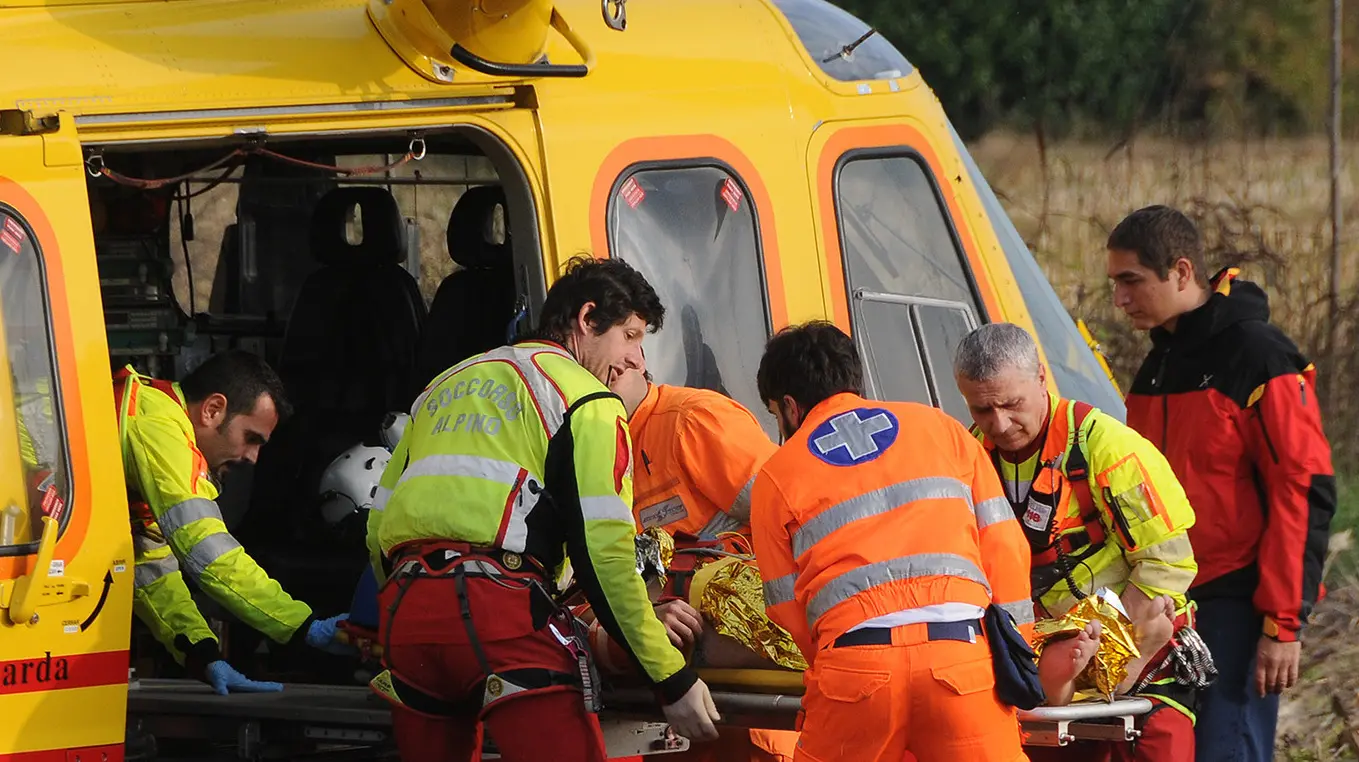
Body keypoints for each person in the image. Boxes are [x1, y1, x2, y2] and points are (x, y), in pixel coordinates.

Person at [365, 256, 720, 762]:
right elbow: (607, 556)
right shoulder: (587, 400)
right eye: (631, 336)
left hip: (406, 614)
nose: (636, 359)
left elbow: (378, 526)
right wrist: (671, 678)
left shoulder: (442, 389)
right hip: (499, 615)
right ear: (587, 318)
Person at [1106, 205, 1338, 762]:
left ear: (1181, 272)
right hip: (1166, 605)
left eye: (1131, 281)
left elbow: (1303, 492)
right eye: (1115, 284)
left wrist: (1282, 626)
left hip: (1237, 604)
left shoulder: (1258, 355)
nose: (1119, 299)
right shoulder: (1156, 367)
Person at [750, 321, 1033, 762]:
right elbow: (1005, 549)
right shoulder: (943, 430)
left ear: (788, 405)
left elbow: (785, 602)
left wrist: (833, 663)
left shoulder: (775, 475)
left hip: (854, 667)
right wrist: (1019, 659)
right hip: (962, 659)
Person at [953, 322, 1201, 760]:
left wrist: (1120, 650)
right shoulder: (969, 456)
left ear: (1042, 379)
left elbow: (1167, 564)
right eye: (981, 410)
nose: (1001, 424)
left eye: (1012, 404)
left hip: (1142, 648)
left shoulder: (1106, 446)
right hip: (1044, 647)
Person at [114, 351, 350, 696]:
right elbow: (209, 552)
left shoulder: (143, 414)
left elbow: (150, 570)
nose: (252, 458)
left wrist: (202, 653)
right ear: (212, 409)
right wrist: (301, 625)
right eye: (252, 438)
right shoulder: (158, 425)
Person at [609, 363, 799, 762]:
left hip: (749, 708)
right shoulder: (601, 444)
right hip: (672, 706)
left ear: (635, 358)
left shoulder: (692, 421)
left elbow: (792, 515)